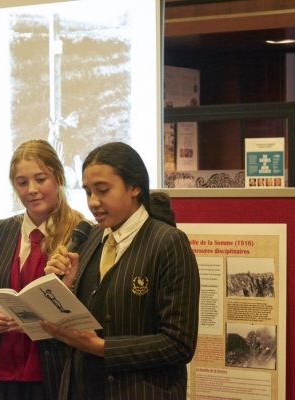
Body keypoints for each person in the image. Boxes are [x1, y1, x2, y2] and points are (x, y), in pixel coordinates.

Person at [41, 142, 200, 399]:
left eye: (103, 190)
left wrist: (103, 348)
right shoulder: (90, 238)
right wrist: (65, 286)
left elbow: (179, 345)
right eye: (87, 192)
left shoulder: (168, 242)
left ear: (135, 187)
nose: (93, 202)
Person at [0, 140, 86, 400]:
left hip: (52, 377)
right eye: (22, 183)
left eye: (41, 179)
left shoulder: (83, 234)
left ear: (59, 178)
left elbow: (90, 311)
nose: (32, 190)